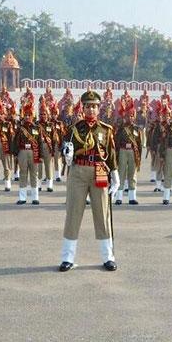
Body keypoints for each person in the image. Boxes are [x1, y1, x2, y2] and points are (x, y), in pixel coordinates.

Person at [59, 90, 119, 272]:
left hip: (99, 172)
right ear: (82, 108)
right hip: (78, 172)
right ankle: (67, 258)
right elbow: (65, 148)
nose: (91, 110)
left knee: (102, 215)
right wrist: (66, 156)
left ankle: (108, 257)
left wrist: (115, 174)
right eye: (88, 106)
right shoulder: (74, 129)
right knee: (73, 214)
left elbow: (111, 154)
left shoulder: (105, 129)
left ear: (99, 108)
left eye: (94, 106)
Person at [10, 102, 42, 205]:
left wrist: (40, 155)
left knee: (34, 175)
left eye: (29, 115)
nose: (28, 117)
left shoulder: (37, 128)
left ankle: (35, 197)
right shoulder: (20, 128)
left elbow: (40, 143)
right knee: (23, 174)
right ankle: (22, 198)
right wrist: (15, 154)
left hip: (34, 152)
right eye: (26, 115)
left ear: (32, 116)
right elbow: (15, 142)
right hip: (22, 152)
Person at [113, 100, 142, 205]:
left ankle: (132, 198)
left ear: (134, 117)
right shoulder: (121, 128)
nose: (130, 118)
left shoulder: (137, 129)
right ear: (125, 117)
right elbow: (116, 142)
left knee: (132, 174)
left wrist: (139, 157)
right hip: (122, 151)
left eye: (132, 116)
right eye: (128, 116)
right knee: (121, 173)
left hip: (133, 152)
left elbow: (139, 145)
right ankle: (119, 198)